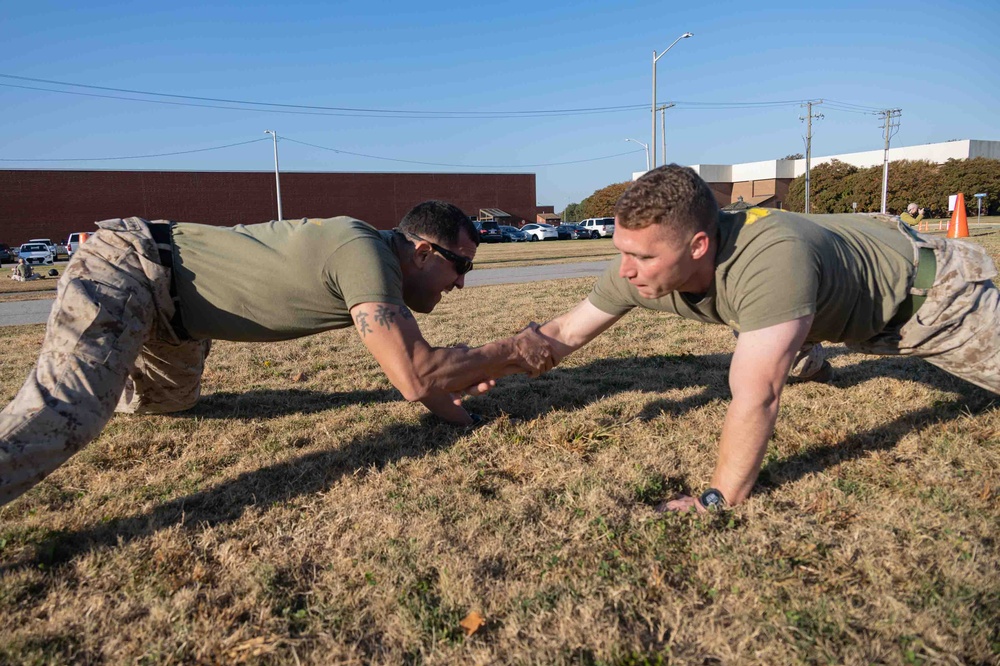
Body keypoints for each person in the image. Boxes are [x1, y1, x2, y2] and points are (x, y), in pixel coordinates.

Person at [0, 201, 555, 506]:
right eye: (462, 267)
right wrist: (511, 350)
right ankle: (94, 374)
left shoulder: (380, 268)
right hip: (133, 268)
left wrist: (469, 417)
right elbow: (414, 376)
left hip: (178, 323)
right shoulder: (362, 251)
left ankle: (112, 364)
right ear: (423, 251)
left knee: (167, 405)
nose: (461, 285)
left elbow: (424, 382)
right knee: (69, 413)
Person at [530, 165, 999, 512]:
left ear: (698, 245)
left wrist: (718, 499)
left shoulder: (771, 262)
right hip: (827, 290)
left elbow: (757, 396)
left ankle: (800, 351)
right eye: (621, 251)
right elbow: (563, 333)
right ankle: (807, 357)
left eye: (642, 257)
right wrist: (471, 369)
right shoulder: (641, 269)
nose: (625, 269)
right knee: (768, 323)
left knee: (764, 342)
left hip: (930, 297)